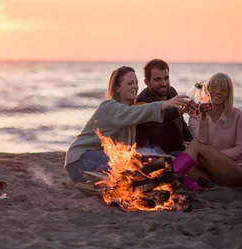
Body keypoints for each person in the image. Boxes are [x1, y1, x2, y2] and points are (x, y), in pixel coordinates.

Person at [64, 66, 192, 183]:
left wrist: (181, 110)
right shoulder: (109, 107)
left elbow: (152, 118)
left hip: (102, 163)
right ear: (117, 88)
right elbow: (140, 111)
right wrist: (167, 103)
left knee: (148, 161)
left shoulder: (132, 112)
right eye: (130, 83)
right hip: (80, 161)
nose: (135, 86)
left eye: (136, 83)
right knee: (134, 160)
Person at [135, 59, 194, 154]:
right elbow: (162, 117)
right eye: (158, 79)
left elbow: (181, 123)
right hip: (161, 157)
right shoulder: (142, 102)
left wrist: (192, 143)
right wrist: (180, 109)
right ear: (147, 82)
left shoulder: (172, 92)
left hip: (180, 151)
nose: (164, 83)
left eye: (166, 78)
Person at [188, 72, 242, 163]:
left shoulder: (238, 115)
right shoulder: (196, 115)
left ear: (228, 94)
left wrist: (214, 157)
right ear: (206, 90)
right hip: (204, 166)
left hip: (231, 165)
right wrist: (204, 117)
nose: (217, 91)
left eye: (223, 90)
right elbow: (201, 142)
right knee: (173, 162)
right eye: (213, 87)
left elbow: (240, 150)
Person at [172, 138, 242, 187]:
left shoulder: (238, 117)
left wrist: (212, 156)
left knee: (195, 144)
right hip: (211, 172)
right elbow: (202, 141)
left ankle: (170, 178)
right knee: (172, 159)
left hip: (235, 169)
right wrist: (204, 119)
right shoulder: (207, 119)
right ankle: (197, 187)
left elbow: (239, 150)